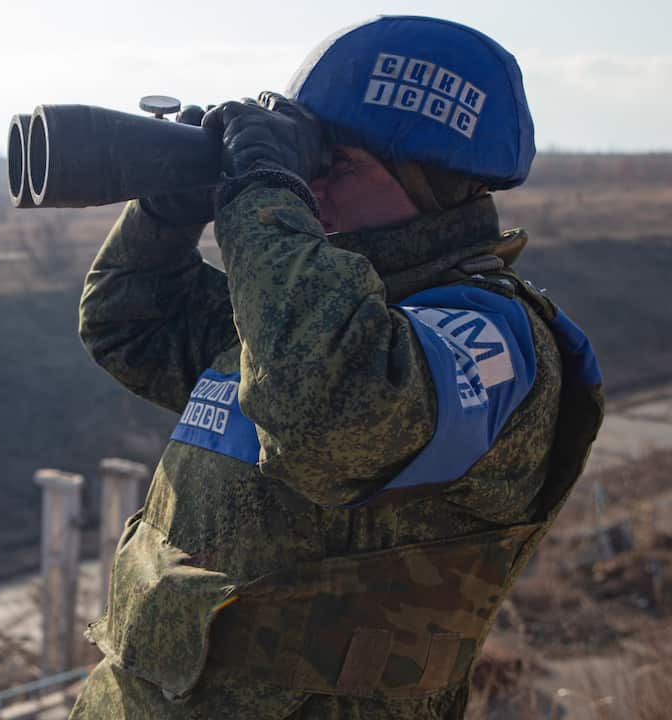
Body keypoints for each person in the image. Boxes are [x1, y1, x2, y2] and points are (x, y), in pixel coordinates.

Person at [70, 15, 604, 719]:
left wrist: (262, 190)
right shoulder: (308, 309)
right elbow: (130, 323)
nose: (310, 188)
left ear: (435, 177)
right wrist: (169, 211)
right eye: (304, 163)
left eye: (335, 164)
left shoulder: (491, 335)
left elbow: (330, 416)